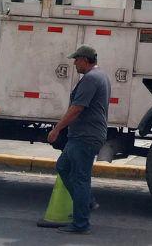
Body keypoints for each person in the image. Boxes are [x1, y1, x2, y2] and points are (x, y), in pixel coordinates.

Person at [47, 44, 110, 235]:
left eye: (76, 59)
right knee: (63, 167)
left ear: (85, 59)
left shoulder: (91, 79)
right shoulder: (100, 76)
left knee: (81, 178)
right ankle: (87, 201)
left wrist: (57, 129)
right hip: (83, 135)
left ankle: (81, 224)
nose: (74, 63)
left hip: (85, 136)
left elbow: (77, 108)